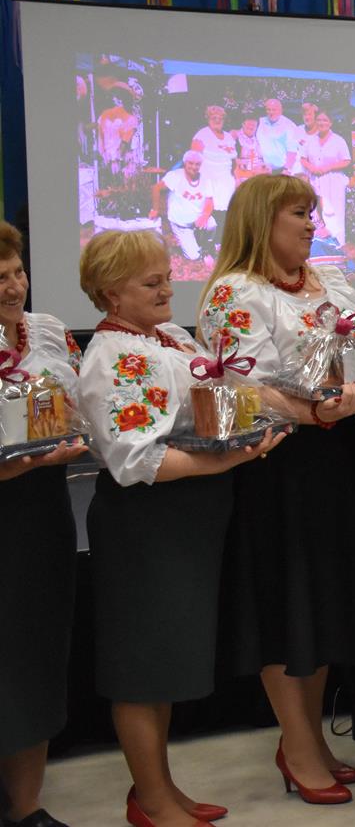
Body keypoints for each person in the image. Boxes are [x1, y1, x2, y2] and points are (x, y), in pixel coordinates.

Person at [76, 230, 284, 827]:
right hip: (147, 524)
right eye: (152, 282)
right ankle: (151, 798)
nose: (169, 289)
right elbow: (136, 459)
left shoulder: (166, 336)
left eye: (167, 276)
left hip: (189, 519)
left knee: (165, 663)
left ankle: (160, 788)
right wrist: (228, 460)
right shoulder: (113, 356)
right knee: (141, 666)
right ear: (111, 294)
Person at [197, 175, 355, 805]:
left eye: (312, 212)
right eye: (298, 213)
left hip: (335, 455)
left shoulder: (329, 280)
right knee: (284, 602)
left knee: (322, 599)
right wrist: (315, 412)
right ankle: (297, 745)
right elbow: (243, 386)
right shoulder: (234, 291)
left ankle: (310, 740)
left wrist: (348, 395)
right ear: (261, 221)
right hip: (276, 463)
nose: (310, 224)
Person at [0, 221, 90, 827]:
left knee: (35, 653)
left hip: (40, 510)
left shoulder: (50, 331)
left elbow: (76, 406)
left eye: (18, 273)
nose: (14, 288)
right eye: (0, 279)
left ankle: (27, 806)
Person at [297, 112, 352, 249]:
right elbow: (303, 158)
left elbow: (346, 160)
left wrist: (328, 167)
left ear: (330, 123)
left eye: (325, 120)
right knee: (317, 212)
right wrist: (312, 168)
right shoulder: (310, 140)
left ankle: (338, 246)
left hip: (333, 180)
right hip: (315, 179)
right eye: (319, 120)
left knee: (335, 212)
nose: (322, 123)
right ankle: (319, 246)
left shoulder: (338, 141)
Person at [151, 151, 217, 264]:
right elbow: (156, 188)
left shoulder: (206, 178)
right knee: (194, 256)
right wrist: (155, 210)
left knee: (212, 224)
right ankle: (194, 243)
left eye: (197, 164)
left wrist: (205, 215)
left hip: (198, 218)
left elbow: (210, 201)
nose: (194, 167)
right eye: (190, 163)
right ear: (185, 163)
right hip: (180, 223)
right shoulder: (175, 176)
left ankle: (207, 245)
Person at [189, 105, 238, 222]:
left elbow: (234, 161)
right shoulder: (202, 135)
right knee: (209, 212)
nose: (217, 120)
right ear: (208, 119)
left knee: (228, 212)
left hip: (226, 180)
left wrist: (236, 178)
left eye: (220, 118)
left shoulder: (229, 137)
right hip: (208, 179)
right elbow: (193, 159)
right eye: (214, 118)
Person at [255, 98, 302, 174]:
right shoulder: (260, 122)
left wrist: (287, 169)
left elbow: (292, 150)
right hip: (263, 168)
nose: (271, 112)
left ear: (281, 111)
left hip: (282, 170)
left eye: (274, 110)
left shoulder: (289, 125)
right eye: (268, 109)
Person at [231, 115, 270, 185]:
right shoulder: (235, 135)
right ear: (243, 124)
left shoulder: (258, 139)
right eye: (249, 124)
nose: (251, 127)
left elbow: (261, 159)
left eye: (254, 125)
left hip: (257, 175)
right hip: (241, 174)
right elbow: (231, 158)